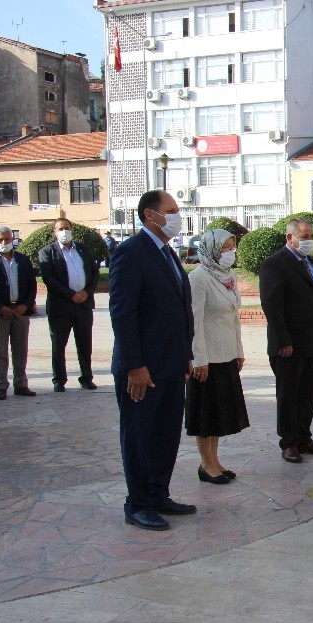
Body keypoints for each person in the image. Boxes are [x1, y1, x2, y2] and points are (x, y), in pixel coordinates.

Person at [109, 190, 195, 531]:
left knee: (166, 435)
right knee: (140, 436)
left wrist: (187, 355)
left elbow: (179, 310)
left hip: (172, 365)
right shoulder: (131, 253)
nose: (177, 216)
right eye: (171, 210)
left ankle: (159, 493)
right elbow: (122, 313)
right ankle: (138, 503)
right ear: (150, 215)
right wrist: (135, 365)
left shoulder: (168, 253)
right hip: (142, 368)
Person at [260, 218, 313, 464]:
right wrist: (283, 340)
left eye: (311, 235)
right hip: (289, 345)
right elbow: (272, 306)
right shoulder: (275, 264)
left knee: (308, 393)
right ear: (290, 238)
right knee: (288, 395)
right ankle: (289, 442)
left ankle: (304, 437)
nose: (309, 240)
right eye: (304, 236)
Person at [186, 229, 249, 484]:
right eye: (224, 248)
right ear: (212, 249)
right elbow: (195, 321)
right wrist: (198, 358)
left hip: (226, 354)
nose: (229, 253)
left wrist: (239, 351)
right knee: (205, 413)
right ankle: (205, 464)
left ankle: (215, 460)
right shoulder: (199, 277)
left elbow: (234, 317)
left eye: (232, 247)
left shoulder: (228, 276)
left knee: (219, 412)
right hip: (207, 357)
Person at [0, 225, 38, 400]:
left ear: (13, 240)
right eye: (0, 240)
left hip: (20, 311)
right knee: (0, 351)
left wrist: (25, 305)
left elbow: (32, 285)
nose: (4, 243)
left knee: (20, 349)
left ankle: (21, 384)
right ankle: (1, 386)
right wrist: (0, 307)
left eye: (7, 239)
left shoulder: (22, 260)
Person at [38, 219, 99, 392]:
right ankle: (59, 379)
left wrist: (86, 292)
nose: (64, 231)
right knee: (59, 344)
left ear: (72, 230)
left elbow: (94, 273)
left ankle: (86, 377)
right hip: (61, 306)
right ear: (54, 232)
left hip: (84, 305)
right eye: (60, 229)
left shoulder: (83, 249)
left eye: (67, 228)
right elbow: (49, 279)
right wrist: (71, 295)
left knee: (85, 343)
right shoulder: (47, 252)